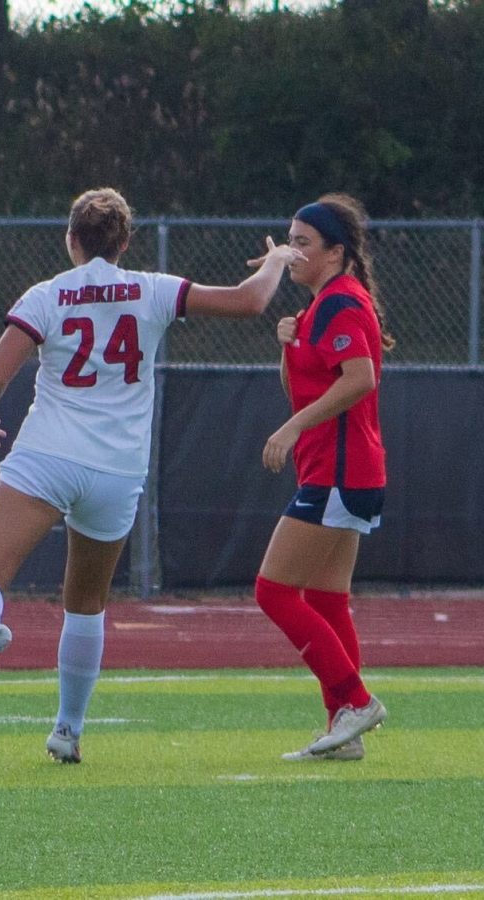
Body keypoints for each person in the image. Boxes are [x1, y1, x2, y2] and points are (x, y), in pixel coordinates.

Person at [0, 187, 304, 765]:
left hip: (49, 454)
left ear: (71, 239)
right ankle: (68, 730)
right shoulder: (152, 288)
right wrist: (279, 259)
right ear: (126, 242)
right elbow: (249, 302)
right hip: (117, 469)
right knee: (86, 603)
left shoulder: (48, 294)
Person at [257, 193, 392, 762]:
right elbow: (305, 387)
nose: (292, 252)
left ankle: (357, 701)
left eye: (303, 243)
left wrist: (288, 430)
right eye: (290, 240)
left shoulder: (341, 303)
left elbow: (359, 379)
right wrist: (287, 349)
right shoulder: (317, 309)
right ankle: (345, 727)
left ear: (335, 253)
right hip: (341, 471)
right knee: (328, 599)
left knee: (273, 591)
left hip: (341, 472)